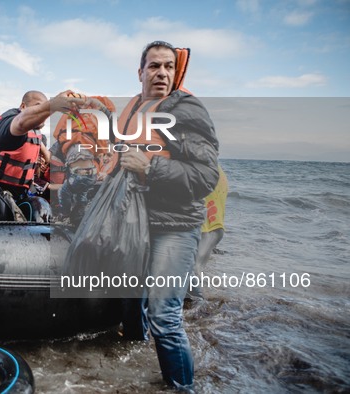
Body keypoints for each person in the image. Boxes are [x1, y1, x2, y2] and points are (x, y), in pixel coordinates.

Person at [117, 41, 219, 390]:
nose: (162, 73)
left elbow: (206, 178)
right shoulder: (132, 110)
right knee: (130, 302)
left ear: (176, 73)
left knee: (164, 315)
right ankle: (132, 359)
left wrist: (150, 169)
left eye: (168, 67)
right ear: (140, 72)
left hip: (175, 227)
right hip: (135, 224)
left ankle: (182, 387)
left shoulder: (186, 110)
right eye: (154, 66)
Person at [0, 90, 86, 202]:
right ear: (23, 106)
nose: (43, 113)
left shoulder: (35, 132)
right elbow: (20, 122)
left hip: (19, 195)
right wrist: (53, 105)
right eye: (38, 106)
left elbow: (49, 158)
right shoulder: (8, 124)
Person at [187, 165, 228, 300]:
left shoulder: (205, 171)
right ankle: (200, 299)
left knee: (194, 266)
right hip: (212, 228)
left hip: (209, 229)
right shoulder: (215, 169)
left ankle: (199, 302)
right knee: (195, 266)